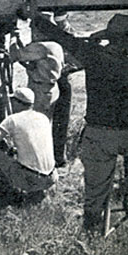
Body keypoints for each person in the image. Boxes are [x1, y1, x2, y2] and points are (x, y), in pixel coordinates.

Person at [34, 13, 128, 232]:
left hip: (99, 133)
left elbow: (63, 38)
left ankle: (92, 237)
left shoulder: (95, 55)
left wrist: (40, 21)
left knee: (95, 194)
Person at [0, 87, 58, 200]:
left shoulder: (13, 119)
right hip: (51, 178)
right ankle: (37, 192)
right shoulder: (43, 118)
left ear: (17, 102)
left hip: (30, 179)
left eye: (13, 101)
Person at [51, 12, 83, 167]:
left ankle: (57, 157)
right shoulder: (68, 32)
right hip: (56, 81)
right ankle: (55, 156)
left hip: (60, 80)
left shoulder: (53, 32)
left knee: (59, 120)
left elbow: (79, 59)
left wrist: (67, 69)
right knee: (56, 120)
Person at [9, 37, 64, 120]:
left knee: (34, 121)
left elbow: (15, 54)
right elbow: (30, 59)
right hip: (51, 88)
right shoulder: (56, 46)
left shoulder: (41, 46)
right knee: (46, 122)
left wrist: (12, 38)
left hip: (40, 90)